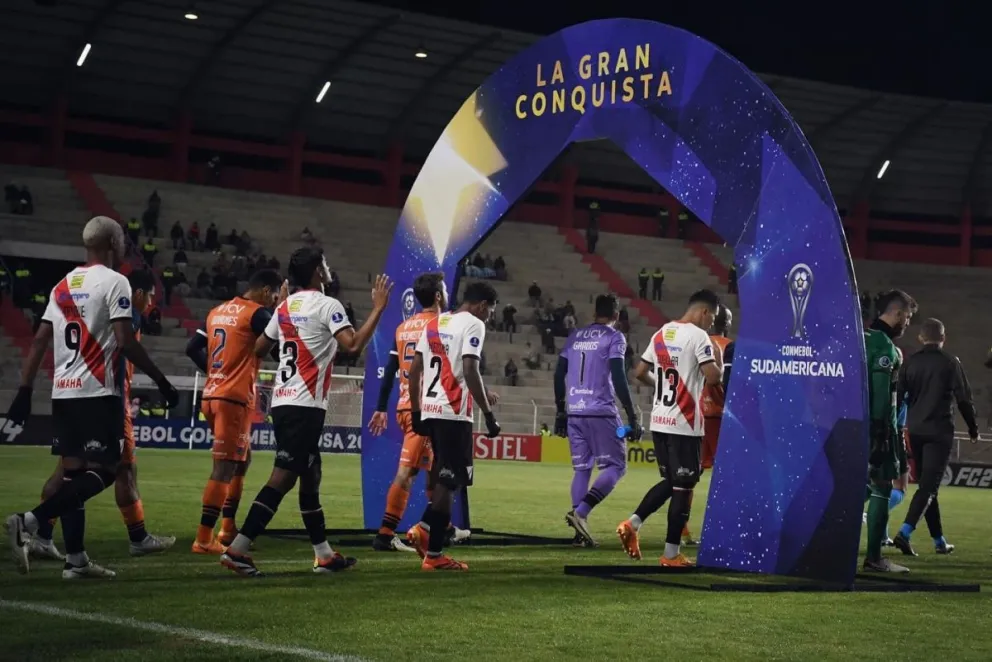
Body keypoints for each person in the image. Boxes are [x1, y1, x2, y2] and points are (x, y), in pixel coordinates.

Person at [4, 216, 178, 578]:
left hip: (63, 392)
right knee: (108, 471)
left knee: (73, 477)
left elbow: (39, 340)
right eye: (122, 239)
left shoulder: (62, 285)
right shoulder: (115, 282)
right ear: (113, 243)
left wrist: (24, 390)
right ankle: (29, 521)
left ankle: (76, 560)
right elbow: (125, 341)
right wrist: (161, 381)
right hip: (98, 392)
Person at [219, 248, 391, 577]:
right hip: (304, 405)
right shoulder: (327, 305)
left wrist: (284, 322)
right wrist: (379, 308)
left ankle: (323, 555)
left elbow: (259, 348)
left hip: (284, 400)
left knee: (310, 475)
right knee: (283, 477)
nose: (329, 268)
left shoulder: (285, 307)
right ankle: (238, 549)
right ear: (317, 271)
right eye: (324, 264)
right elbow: (353, 345)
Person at [28, 269, 176, 561]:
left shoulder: (87, 304)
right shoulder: (128, 315)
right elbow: (125, 345)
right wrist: (161, 382)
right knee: (122, 470)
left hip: (73, 394)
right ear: (138, 293)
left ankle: (44, 537)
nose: (150, 303)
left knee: (67, 472)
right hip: (107, 401)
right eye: (150, 297)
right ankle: (137, 537)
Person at [616, 289, 723, 567]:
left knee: (672, 482)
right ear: (705, 312)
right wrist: (718, 359)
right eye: (712, 318)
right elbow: (713, 377)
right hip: (684, 424)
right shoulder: (699, 337)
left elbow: (640, 372)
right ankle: (671, 555)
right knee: (684, 488)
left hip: (660, 421)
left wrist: (663, 387)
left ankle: (633, 524)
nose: (711, 323)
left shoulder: (662, 333)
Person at [185, 269, 286, 553]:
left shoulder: (217, 311)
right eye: (274, 296)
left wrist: (217, 373)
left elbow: (192, 348)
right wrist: (282, 312)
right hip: (234, 399)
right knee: (225, 466)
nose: (274, 301)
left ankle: (228, 528)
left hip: (211, 394)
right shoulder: (257, 314)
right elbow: (276, 351)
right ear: (266, 291)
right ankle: (204, 538)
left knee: (242, 460)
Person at [405, 281, 502, 571]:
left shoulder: (435, 323)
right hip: (453, 413)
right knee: (450, 481)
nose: (490, 317)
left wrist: (417, 411)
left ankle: (424, 528)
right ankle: (434, 555)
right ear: (482, 306)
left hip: (431, 410)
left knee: (447, 477)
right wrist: (488, 415)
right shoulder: (474, 324)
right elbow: (470, 369)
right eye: (491, 311)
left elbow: (414, 371)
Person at [367, 272, 450, 553]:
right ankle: (385, 534)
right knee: (408, 471)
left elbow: (391, 369)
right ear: (438, 296)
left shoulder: (403, 328)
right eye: (444, 290)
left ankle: (443, 527)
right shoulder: (440, 326)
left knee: (434, 467)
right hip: (424, 410)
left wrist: (381, 407)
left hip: (405, 405)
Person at [555, 294, 641, 547]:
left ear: (594, 313)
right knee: (616, 466)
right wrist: (631, 413)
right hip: (601, 411)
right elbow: (618, 373)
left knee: (582, 469)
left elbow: (559, 373)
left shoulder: (575, 336)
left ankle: (579, 533)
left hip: (575, 411)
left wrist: (560, 411)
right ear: (616, 315)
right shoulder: (615, 337)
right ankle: (581, 513)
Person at [892, 318, 977, 557]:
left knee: (929, 487)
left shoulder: (910, 363)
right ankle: (904, 532)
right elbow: (964, 399)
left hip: (915, 430)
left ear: (921, 338)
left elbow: (898, 396)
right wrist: (972, 428)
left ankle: (939, 541)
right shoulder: (951, 362)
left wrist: (894, 425)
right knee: (929, 487)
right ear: (943, 338)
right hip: (939, 431)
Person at [862, 289, 916, 573]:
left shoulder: (858, 338)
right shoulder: (886, 348)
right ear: (896, 313)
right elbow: (883, 397)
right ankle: (874, 558)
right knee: (882, 487)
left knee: (850, 488)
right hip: (877, 429)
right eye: (907, 317)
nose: (907, 323)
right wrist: (881, 434)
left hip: (848, 425)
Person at [700, 306, 733, 471]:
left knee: (692, 470)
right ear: (727, 324)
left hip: (698, 414)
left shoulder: (701, 343)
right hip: (721, 415)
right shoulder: (731, 347)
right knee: (726, 467)